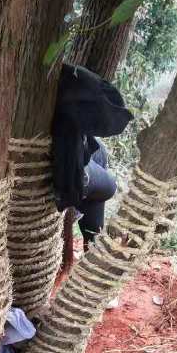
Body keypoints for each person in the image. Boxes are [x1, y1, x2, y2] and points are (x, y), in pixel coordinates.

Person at [52, 63, 133, 250]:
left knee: (100, 153)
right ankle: (92, 248)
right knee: (109, 185)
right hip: (56, 165)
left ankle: (89, 241)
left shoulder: (60, 78)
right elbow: (113, 113)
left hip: (65, 151)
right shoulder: (66, 77)